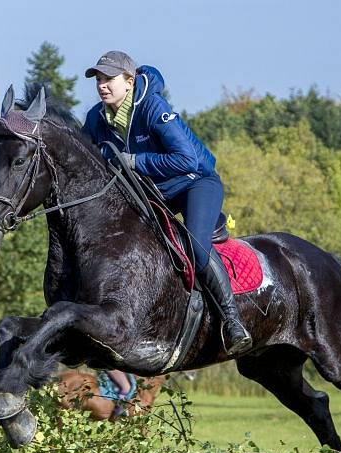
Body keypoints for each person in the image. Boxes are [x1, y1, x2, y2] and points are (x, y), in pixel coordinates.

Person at [82, 51, 252, 355]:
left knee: (198, 250)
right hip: (156, 191)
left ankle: (232, 320)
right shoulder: (96, 118)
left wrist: (133, 160)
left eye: (109, 78)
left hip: (195, 182)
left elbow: (185, 158)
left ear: (129, 81)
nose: (102, 85)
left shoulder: (151, 106)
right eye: (98, 79)